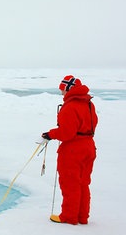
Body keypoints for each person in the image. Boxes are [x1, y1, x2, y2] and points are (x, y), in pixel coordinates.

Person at [42, 75, 98, 225]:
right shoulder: (89, 104)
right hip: (89, 147)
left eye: (62, 91)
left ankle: (69, 216)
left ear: (68, 89)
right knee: (83, 183)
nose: (62, 94)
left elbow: (67, 133)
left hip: (73, 150)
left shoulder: (70, 107)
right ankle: (82, 217)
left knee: (70, 184)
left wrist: (50, 134)